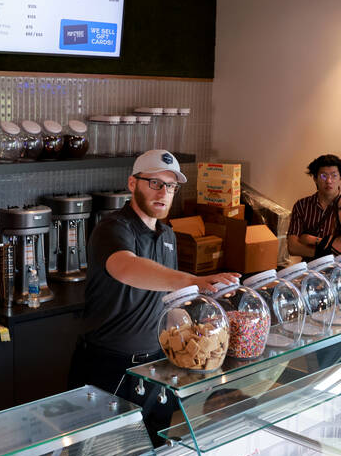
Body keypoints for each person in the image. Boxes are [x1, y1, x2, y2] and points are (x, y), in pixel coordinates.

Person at [71, 149, 237, 434]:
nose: (164, 192)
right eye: (155, 183)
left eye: (170, 186)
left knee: (153, 450)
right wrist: (191, 280)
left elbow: (167, 304)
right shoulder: (113, 227)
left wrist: (197, 330)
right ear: (133, 184)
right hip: (108, 366)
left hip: (156, 366)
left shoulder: (168, 236)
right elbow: (126, 267)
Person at [288, 154, 341, 258]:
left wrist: (311, 240)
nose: (329, 181)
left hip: (340, 269)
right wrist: (326, 254)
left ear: (340, 177)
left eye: (334, 175)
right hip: (310, 269)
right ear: (315, 178)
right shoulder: (302, 206)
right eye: (323, 176)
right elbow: (292, 247)